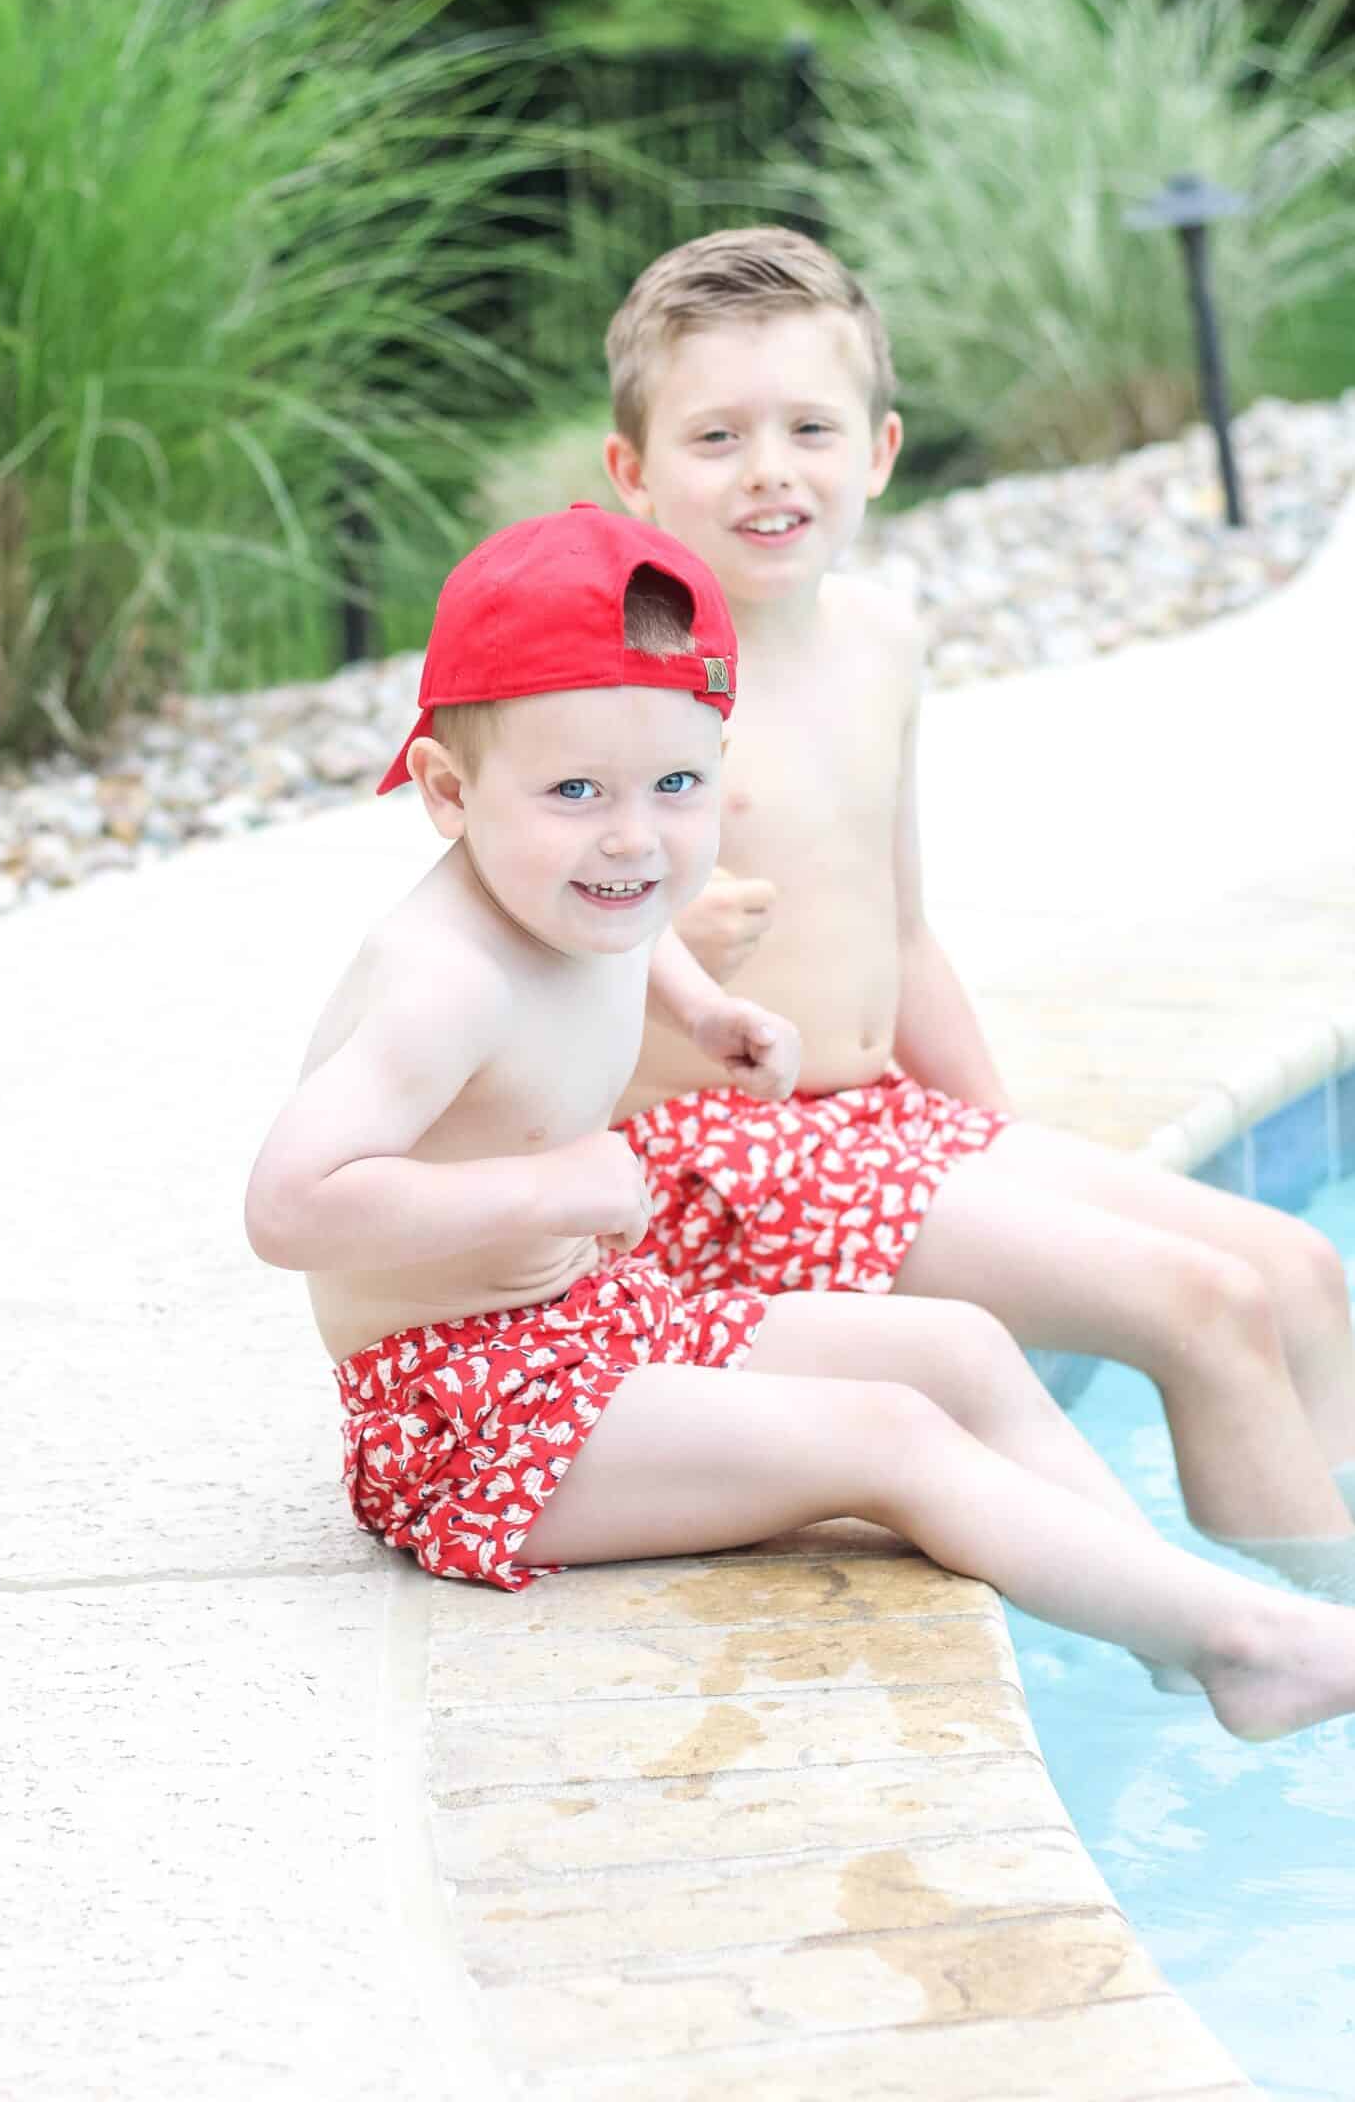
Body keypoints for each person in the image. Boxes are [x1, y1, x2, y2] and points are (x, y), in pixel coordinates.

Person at [245, 504, 1355, 1739]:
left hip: (596, 1327)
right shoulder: (441, 978)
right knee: (889, 1438)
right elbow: (289, 1204)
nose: (633, 835)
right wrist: (555, 1191)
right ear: (449, 792)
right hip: (466, 1419)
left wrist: (708, 1007)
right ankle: (1245, 1643)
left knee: (964, 1352)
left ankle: (1178, 1620)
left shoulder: (574, 887)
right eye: (574, 790)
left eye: (678, 784)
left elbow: (628, 928)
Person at [602, 226, 1355, 1595]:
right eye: (714, 436)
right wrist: (653, 958)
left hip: (882, 1122)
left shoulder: (878, 640)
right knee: (1203, 1302)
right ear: (631, 475)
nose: (768, 467)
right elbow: (523, 969)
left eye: (807, 427)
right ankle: (1284, 1657)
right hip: (718, 1156)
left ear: (878, 453)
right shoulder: (623, 689)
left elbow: (897, 933)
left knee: (1297, 1265)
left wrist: (998, 1147)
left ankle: (1329, 1581)